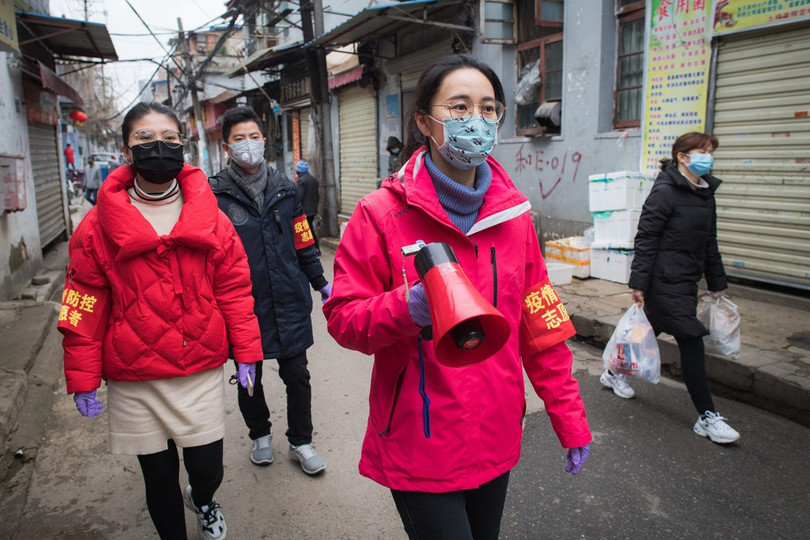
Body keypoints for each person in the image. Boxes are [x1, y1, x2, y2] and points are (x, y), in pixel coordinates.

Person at [323, 54, 592, 539]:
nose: (477, 121)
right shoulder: (380, 214)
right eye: (460, 107)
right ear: (425, 121)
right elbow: (344, 319)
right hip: (418, 439)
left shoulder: (514, 219)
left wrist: (569, 417)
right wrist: (407, 307)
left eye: (489, 109)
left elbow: (542, 327)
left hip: (496, 434)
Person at [58, 101, 263, 540]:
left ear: (183, 146)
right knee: (158, 479)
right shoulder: (96, 226)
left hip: (200, 367)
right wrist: (81, 375)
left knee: (207, 469)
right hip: (135, 376)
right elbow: (83, 302)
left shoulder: (211, 216)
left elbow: (234, 290)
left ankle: (204, 500)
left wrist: (247, 352)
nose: (159, 149)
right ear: (125, 149)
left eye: (170, 140)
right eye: (145, 140)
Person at [210, 106, 332, 475]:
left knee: (297, 375)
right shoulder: (214, 195)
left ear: (264, 141)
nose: (248, 145)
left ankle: (301, 440)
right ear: (227, 147)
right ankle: (260, 434)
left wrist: (320, 282)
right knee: (250, 378)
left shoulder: (285, 189)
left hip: (289, 300)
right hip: (243, 306)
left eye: (253, 137)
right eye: (239, 139)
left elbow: (303, 241)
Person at [605, 131, 741, 445]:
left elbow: (709, 242)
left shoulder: (706, 193)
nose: (708, 157)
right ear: (682, 156)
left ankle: (614, 373)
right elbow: (647, 238)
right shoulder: (664, 191)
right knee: (691, 339)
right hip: (663, 281)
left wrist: (716, 283)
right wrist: (639, 282)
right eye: (702, 151)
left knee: (646, 330)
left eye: (710, 151)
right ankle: (707, 416)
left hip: (687, 281)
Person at [295, 159, 321, 255]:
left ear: (299, 171)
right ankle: (315, 248)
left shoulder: (301, 181)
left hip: (305, 211)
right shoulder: (313, 180)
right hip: (313, 210)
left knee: (307, 231)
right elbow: (318, 196)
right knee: (309, 230)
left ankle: (314, 249)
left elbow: (299, 197)